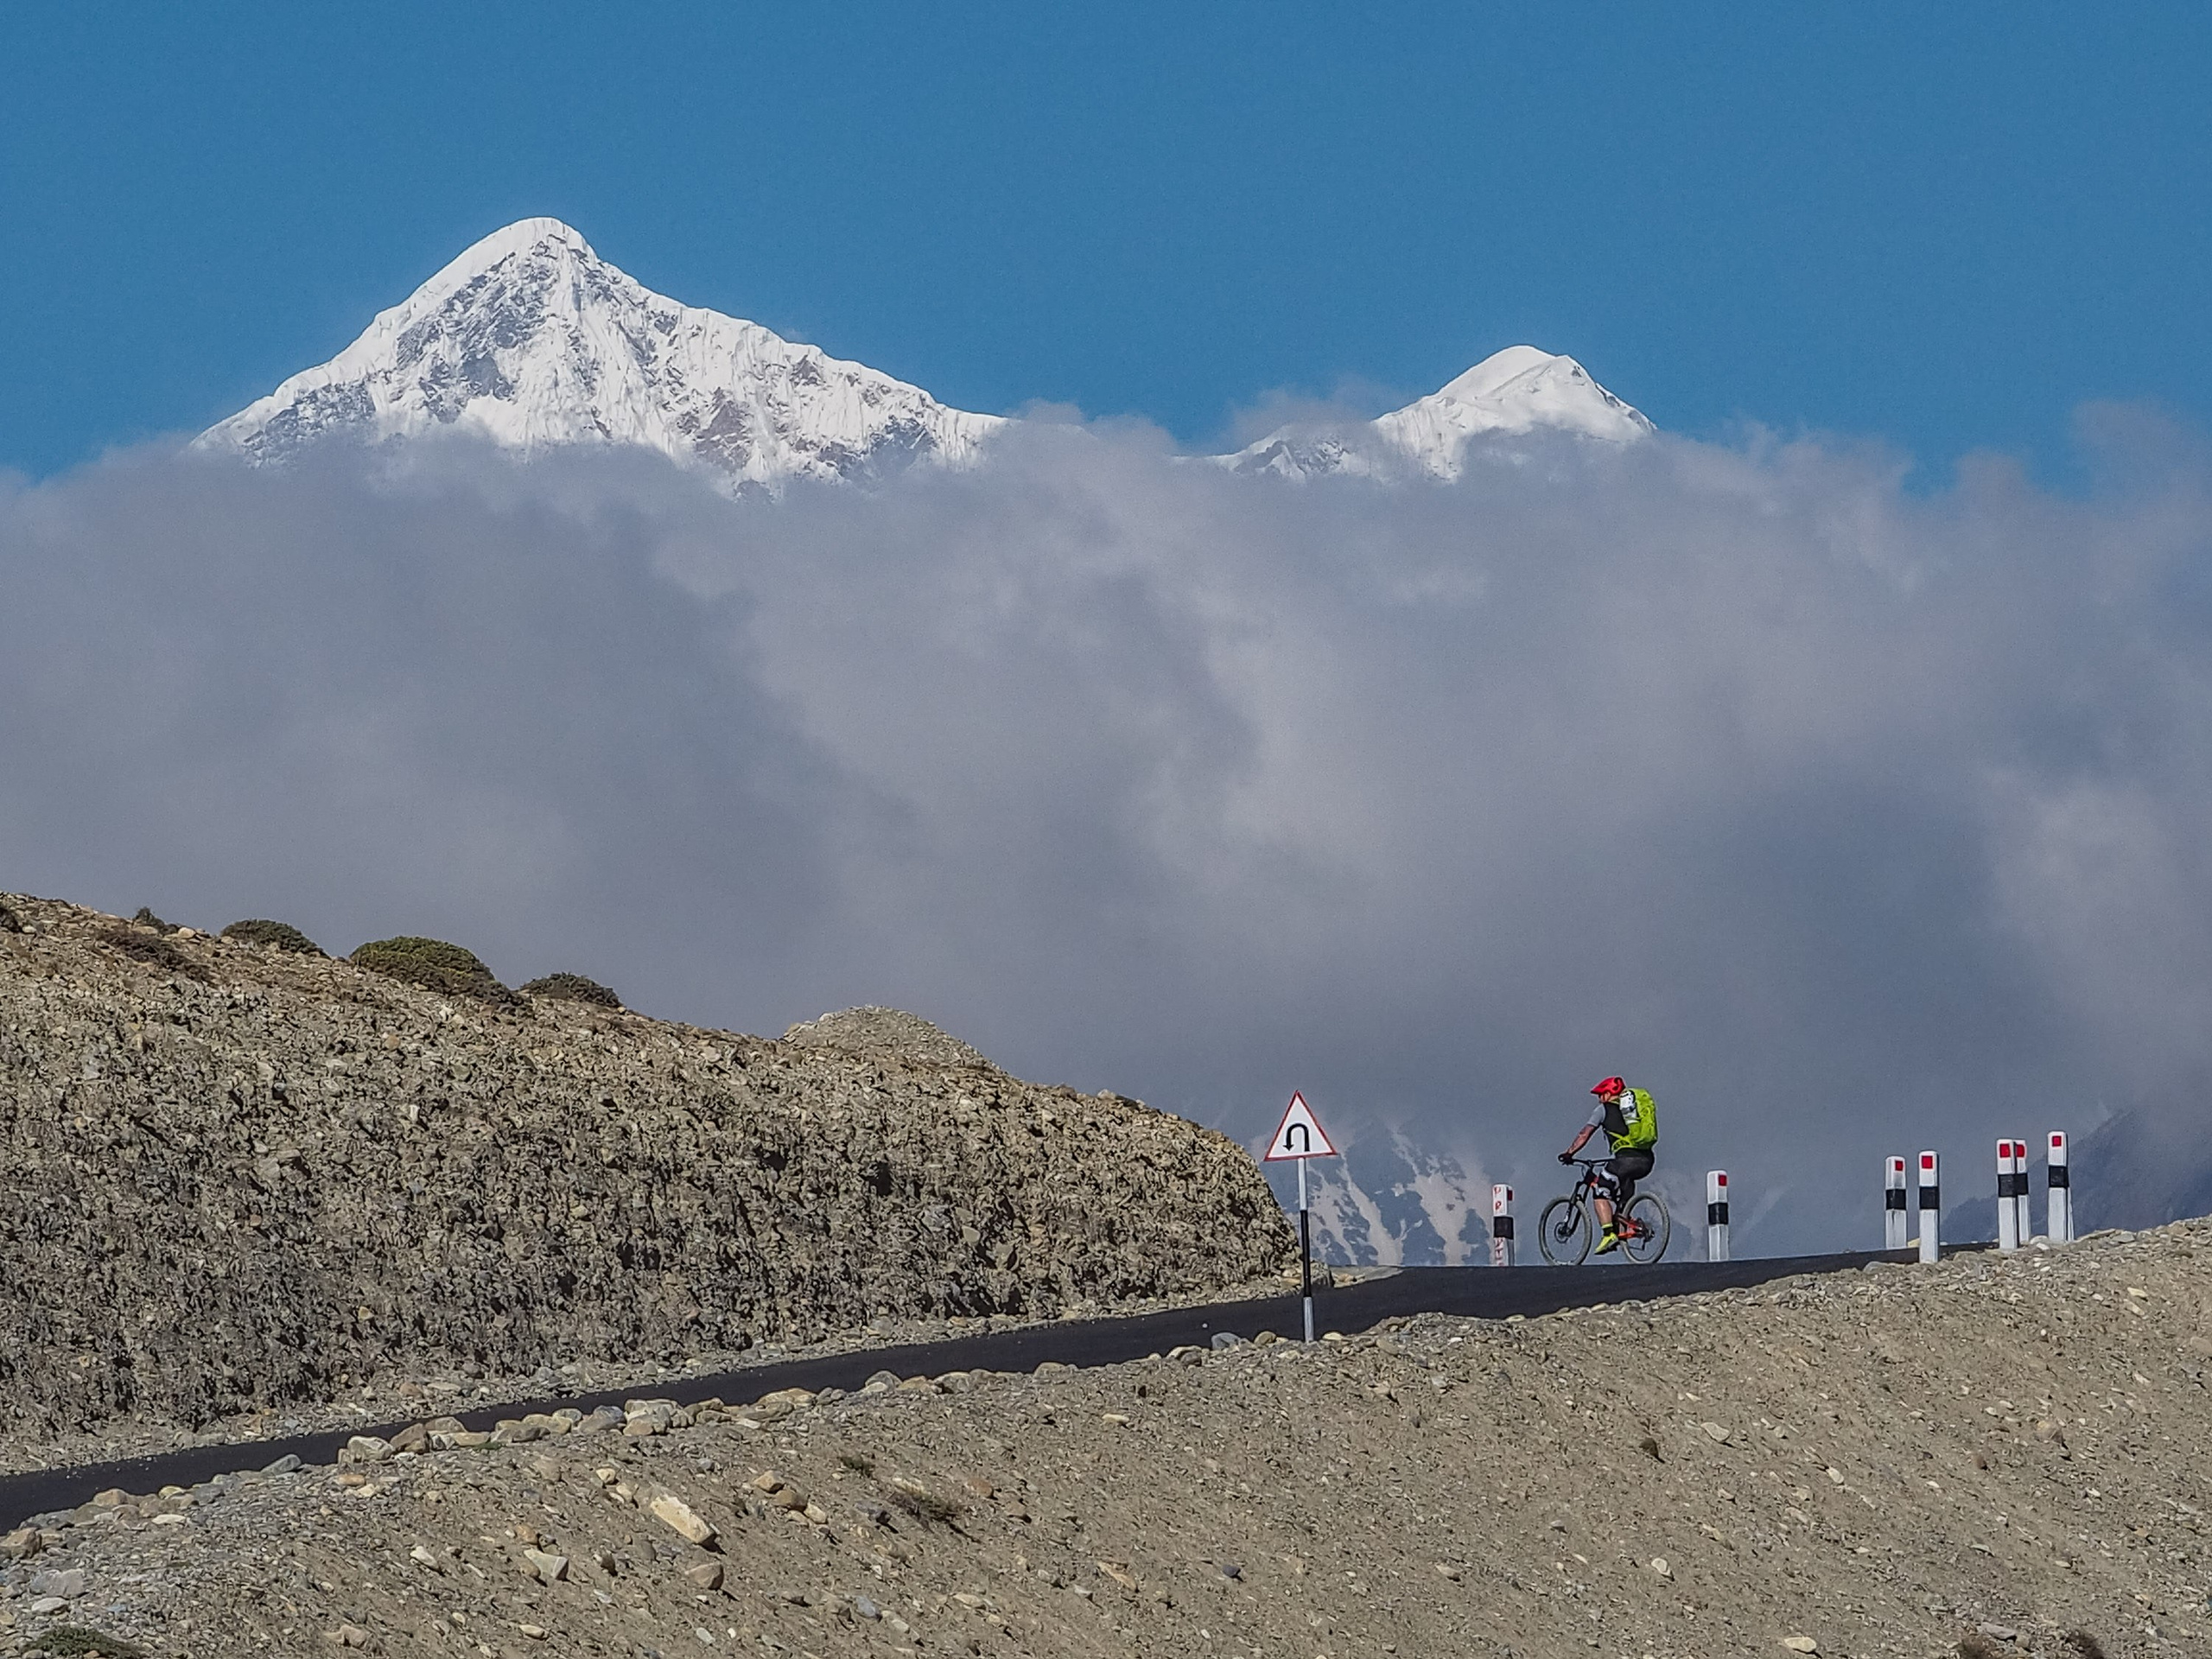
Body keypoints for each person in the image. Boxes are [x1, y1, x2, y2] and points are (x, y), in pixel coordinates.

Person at [1558, 1076, 1657, 1255]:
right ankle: (1629, 1227)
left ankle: (1608, 1235)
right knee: (1621, 1200)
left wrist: (1569, 1153)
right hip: (1646, 1161)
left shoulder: (1603, 1110)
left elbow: (1584, 1134)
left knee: (1600, 1191)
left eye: (1600, 1095)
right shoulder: (1633, 1111)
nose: (1599, 1099)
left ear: (1608, 1094)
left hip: (1625, 1161)